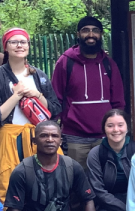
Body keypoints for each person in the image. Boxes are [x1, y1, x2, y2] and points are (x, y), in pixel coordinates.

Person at [0, 28, 62, 200]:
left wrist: (37, 95)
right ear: (6, 47)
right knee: (7, 186)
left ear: (28, 46)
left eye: (23, 42)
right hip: (8, 139)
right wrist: (16, 95)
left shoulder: (39, 75)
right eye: (14, 42)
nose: (19, 45)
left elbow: (55, 110)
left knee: (46, 184)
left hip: (38, 137)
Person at [51, 15, 125, 169]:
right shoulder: (65, 62)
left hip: (105, 136)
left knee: (106, 180)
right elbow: (56, 98)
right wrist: (55, 129)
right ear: (78, 34)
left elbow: (118, 101)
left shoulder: (108, 64)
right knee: (76, 183)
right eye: (86, 30)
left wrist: (117, 129)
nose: (91, 35)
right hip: (74, 137)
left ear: (101, 34)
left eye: (95, 31)